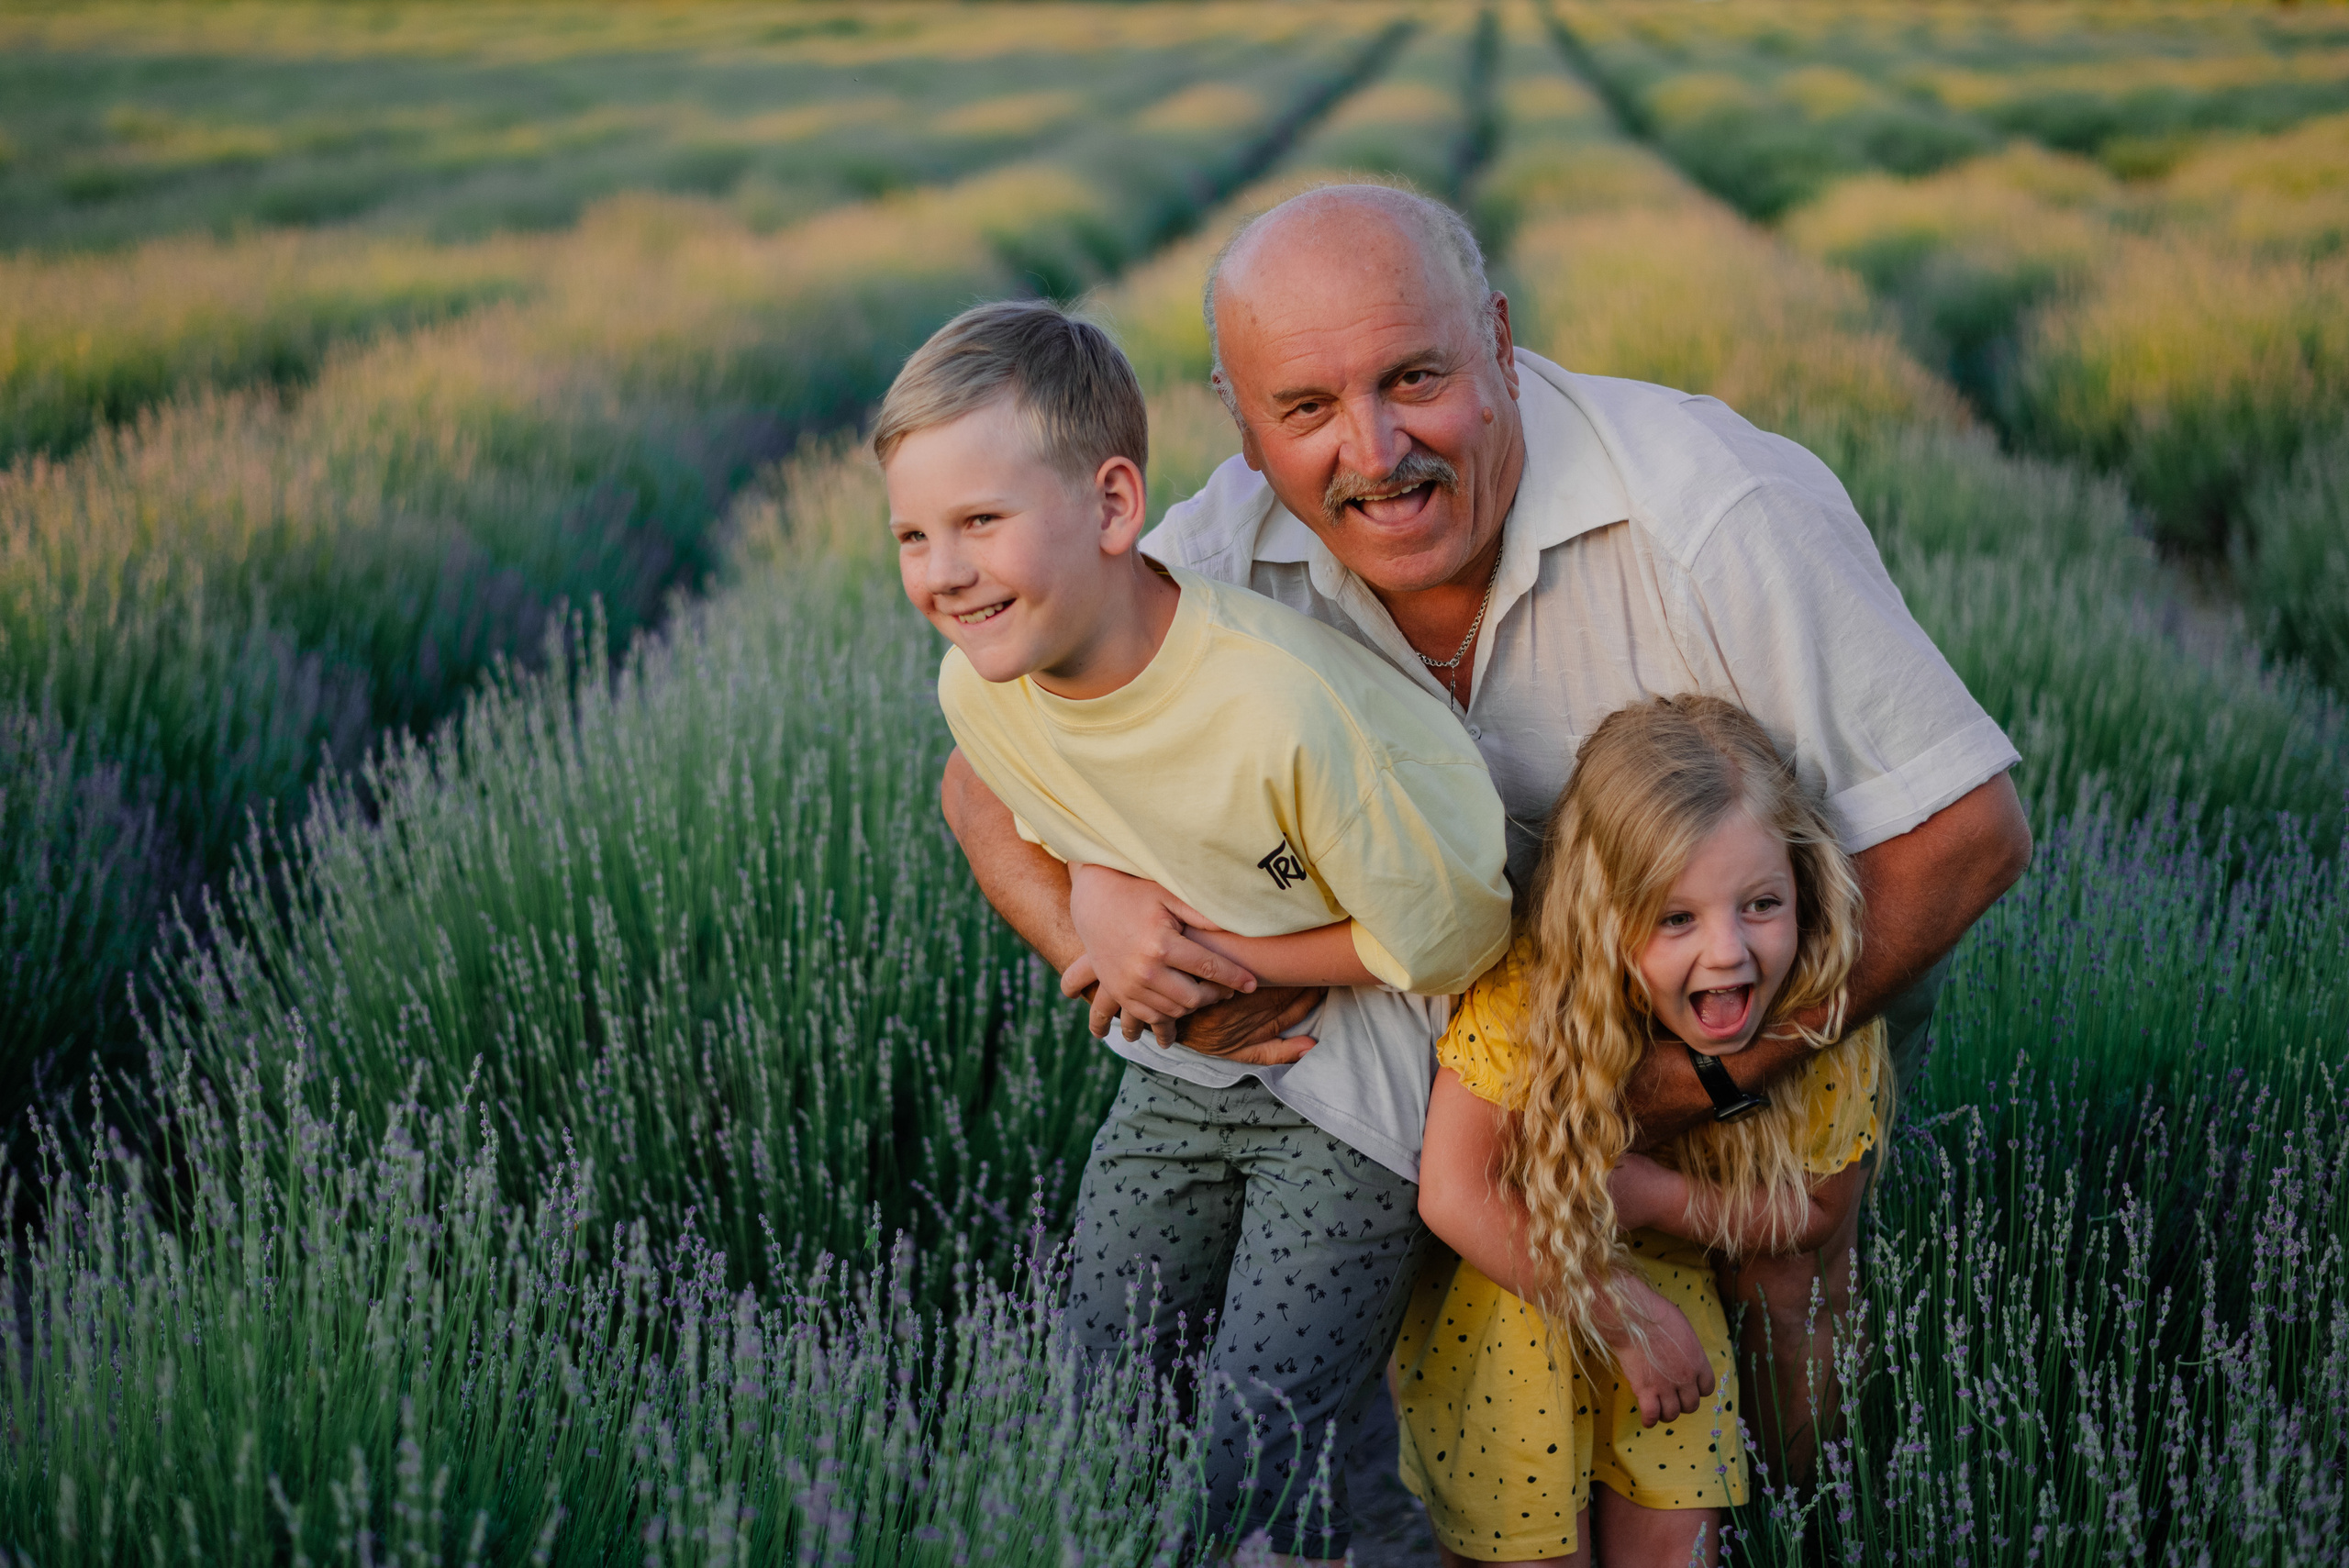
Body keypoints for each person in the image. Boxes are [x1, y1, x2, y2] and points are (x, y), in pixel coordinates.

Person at [938, 183, 2033, 1494]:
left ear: (1500, 343)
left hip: (1761, 992)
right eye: (1306, 409)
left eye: (1415, 377)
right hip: (1491, 1038)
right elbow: (981, 778)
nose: (1376, 447)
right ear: (1240, 421)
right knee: (1486, 1330)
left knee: (1779, 1260)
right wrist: (1103, 931)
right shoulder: (1223, 554)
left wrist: (1685, 1090)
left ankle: (1803, 1513)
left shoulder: (1709, 510)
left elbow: (1969, 835)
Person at [878, 297, 1515, 1559]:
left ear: (1116, 507)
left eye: (981, 523)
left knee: (1256, 1445)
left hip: (1355, 1100)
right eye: (912, 534)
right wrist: (1100, 902)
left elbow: (1453, 938)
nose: (944, 570)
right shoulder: (981, 689)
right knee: (1100, 1400)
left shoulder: (1280, 708)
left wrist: (1237, 962)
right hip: (1176, 1075)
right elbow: (1070, 801)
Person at [1399, 694, 1891, 1565]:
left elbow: (1818, 1210)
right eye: (1677, 918)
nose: (1729, 951)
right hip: (1522, 1281)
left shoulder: (1823, 1012)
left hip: (1674, 1286)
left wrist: (1652, 1194)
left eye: (1761, 903)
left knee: (1676, 1541)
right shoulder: (1537, 990)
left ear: (1804, 885)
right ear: (1601, 916)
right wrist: (1619, 1313)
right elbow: (1454, 1186)